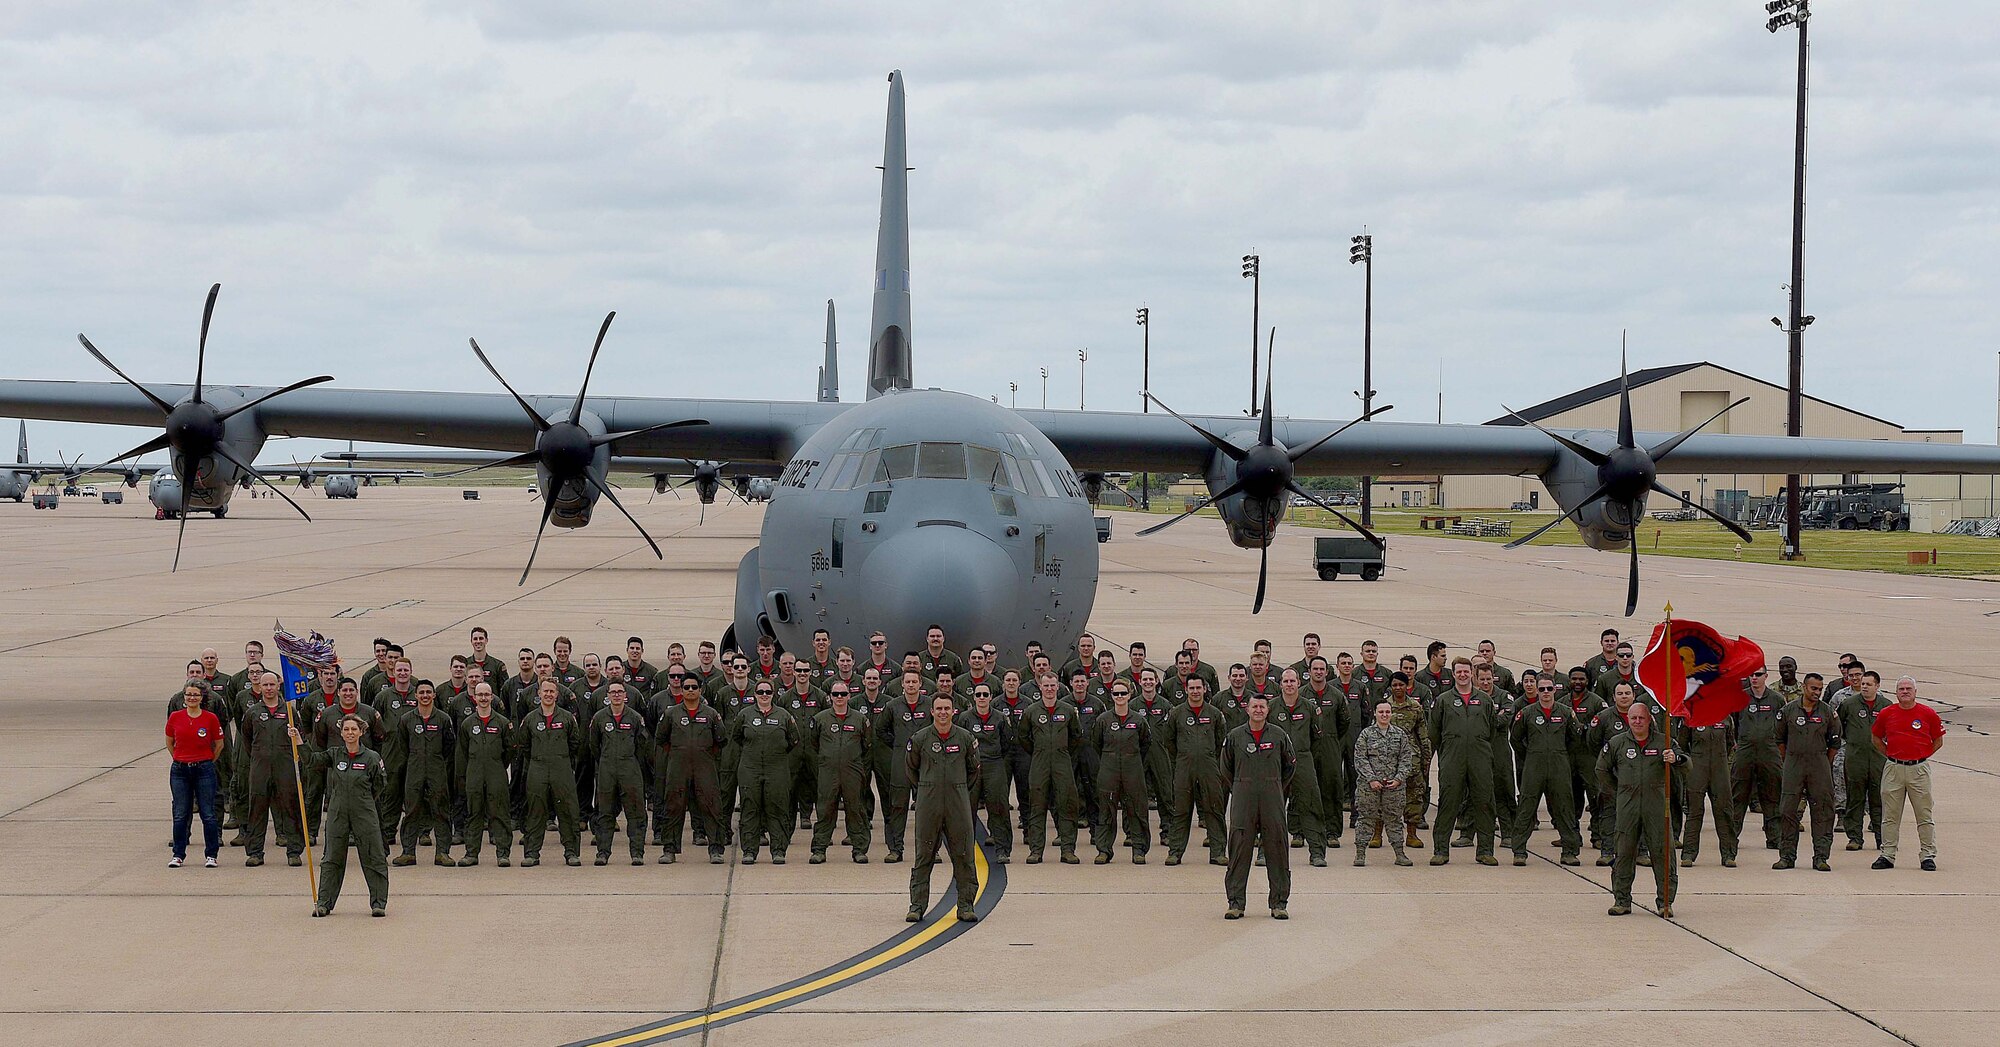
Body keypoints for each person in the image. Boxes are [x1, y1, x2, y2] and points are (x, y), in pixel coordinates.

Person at [291, 714, 391, 918]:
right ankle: (324, 903)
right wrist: (299, 741)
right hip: (337, 812)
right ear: (341, 732)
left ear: (361, 732)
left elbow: (380, 785)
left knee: (374, 856)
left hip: (364, 812)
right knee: (331, 858)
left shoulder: (372, 757)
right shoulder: (334, 754)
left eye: (354, 729)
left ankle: (378, 903)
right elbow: (312, 760)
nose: (350, 733)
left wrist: (362, 800)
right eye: (346, 729)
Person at [1596, 705, 1682, 917]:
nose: (1637, 722)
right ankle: (1622, 900)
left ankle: (1665, 902)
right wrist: (1619, 791)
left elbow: (1686, 765)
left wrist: (1675, 759)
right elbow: (1601, 769)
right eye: (1633, 718)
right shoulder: (1617, 743)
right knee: (1624, 853)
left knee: (1663, 854)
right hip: (1627, 806)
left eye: (1641, 718)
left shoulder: (1665, 742)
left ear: (1649, 719)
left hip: (1657, 806)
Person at [906, 694, 981, 923]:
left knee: (964, 854)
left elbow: (973, 770)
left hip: (958, 801)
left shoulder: (966, 738)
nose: (942, 713)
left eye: (946, 708)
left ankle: (966, 905)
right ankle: (917, 905)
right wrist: (926, 789)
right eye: (938, 708)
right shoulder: (920, 738)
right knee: (924, 854)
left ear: (953, 711)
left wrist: (957, 789)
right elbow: (911, 769)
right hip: (929, 800)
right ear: (931, 712)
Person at [1222, 694, 1295, 921]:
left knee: (1277, 850)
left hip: (1272, 797)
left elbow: (1290, 767)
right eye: (1254, 706)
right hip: (1243, 798)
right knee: (1239, 850)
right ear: (1247, 709)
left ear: (1267, 710)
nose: (1258, 710)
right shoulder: (1234, 736)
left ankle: (1279, 903)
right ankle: (1236, 903)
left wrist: (1274, 787)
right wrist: (1241, 787)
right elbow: (1225, 769)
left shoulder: (1279, 735)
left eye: (1262, 706)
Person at [1429, 659, 1498, 866]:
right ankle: (1441, 850)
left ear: (1472, 674)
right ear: (1454, 674)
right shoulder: (1443, 700)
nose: (1463, 675)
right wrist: (1449, 750)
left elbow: (1492, 729)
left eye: (1466, 672)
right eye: (1459, 672)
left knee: (1484, 803)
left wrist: (1478, 746)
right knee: (1448, 803)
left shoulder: (1484, 700)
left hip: (1480, 757)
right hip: (1452, 758)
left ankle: (1485, 851)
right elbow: (1434, 731)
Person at [1871, 676, 1945, 871]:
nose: (1905, 691)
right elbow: (1876, 738)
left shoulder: (1927, 713)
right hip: (1893, 768)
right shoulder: (1887, 713)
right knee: (1890, 815)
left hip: (1918, 770)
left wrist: (1921, 756)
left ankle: (1927, 855)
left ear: (1915, 692)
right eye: (1901, 689)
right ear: (1896, 693)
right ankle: (1887, 854)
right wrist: (1890, 755)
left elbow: (1938, 740)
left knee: (1924, 814)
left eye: (1908, 688)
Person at [1509, 679, 1582, 866]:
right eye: (1542, 689)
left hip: (1559, 766)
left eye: (1550, 688)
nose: (1546, 692)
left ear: (1555, 690)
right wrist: (1532, 755)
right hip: (1534, 766)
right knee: (1526, 807)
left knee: (1564, 808)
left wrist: (1561, 755)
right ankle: (1519, 851)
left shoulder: (1566, 713)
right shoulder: (1526, 713)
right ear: (1538, 692)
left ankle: (1569, 851)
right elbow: (1516, 739)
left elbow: (1575, 739)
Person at [657, 676, 727, 864]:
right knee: (673, 806)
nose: (689, 690)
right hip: (678, 767)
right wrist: (679, 753)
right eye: (686, 687)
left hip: (704, 766)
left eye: (693, 687)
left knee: (712, 805)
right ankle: (669, 849)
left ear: (700, 690)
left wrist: (702, 753)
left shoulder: (711, 714)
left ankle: (716, 849)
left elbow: (720, 739)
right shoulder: (671, 714)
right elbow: (661, 738)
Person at [239, 671, 305, 867]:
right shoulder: (253, 713)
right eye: (265, 685)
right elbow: (247, 740)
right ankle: (255, 852)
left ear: (278, 686)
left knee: (290, 808)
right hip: (260, 767)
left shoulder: (290, 712)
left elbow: (301, 738)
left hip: (285, 766)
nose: (268, 688)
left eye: (272, 685)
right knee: (257, 809)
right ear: (259, 686)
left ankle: (294, 851)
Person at [1162, 675, 1229, 867]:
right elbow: (1169, 741)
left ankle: (1217, 853)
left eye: (1198, 688)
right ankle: (1175, 852)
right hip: (1184, 767)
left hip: (1209, 767)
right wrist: (1183, 758)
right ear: (1186, 690)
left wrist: (1208, 758)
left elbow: (1219, 741)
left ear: (1205, 689)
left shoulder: (1215, 714)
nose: (1195, 691)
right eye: (1191, 688)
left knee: (1214, 809)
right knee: (1181, 810)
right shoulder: (1176, 713)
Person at [515, 680, 584, 867]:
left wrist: (562, 761)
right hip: (537, 768)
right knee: (535, 811)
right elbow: (524, 745)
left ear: (557, 694)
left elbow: (575, 743)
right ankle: (531, 853)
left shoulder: (568, 718)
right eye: (545, 691)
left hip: (561, 768)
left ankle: (572, 853)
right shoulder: (530, 719)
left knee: (568, 811)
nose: (548, 694)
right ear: (539, 693)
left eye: (552, 691)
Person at [1774, 674, 1839, 872]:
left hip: (1819, 765)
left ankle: (1821, 857)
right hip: (1794, 764)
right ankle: (1786, 856)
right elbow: (1779, 740)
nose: (1817, 693)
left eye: (1820, 689)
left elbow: (1834, 743)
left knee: (1823, 812)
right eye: (1813, 688)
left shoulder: (1828, 712)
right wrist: (1791, 760)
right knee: (1788, 811)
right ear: (1804, 687)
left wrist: (1823, 763)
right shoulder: (1788, 710)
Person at [1019, 672, 1083, 864]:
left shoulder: (1068, 711)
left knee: (1067, 806)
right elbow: (1023, 737)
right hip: (1039, 762)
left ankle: (1068, 850)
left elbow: (1075, 736)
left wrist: (1061, 752)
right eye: (1046, 685)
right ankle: (1036, 850)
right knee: (1037, 807)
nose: (1049, 689)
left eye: (1052, 685)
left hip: (1062, 762)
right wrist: (1039, 752)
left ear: (1058, 687)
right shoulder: (1031, 711)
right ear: (1040, 687)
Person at [732, 682, 798, 864]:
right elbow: (737, 736)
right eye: (761, 691)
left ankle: (778, 850)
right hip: (750, 768)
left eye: (768, 691)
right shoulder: (745, 714)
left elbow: (793, 740)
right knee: (750, 808)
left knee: (777, 808)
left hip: (776, 768)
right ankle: (749, 851)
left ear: (773, 693)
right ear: (755, 693)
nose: (764, 694)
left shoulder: (784, 715)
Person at [392, 681, 456, 868]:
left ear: (434, 695)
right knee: (411, 810)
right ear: (416, 695)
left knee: (441, 810)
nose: (425, 695)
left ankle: (443, 853)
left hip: (437, 769)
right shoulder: (406, 719)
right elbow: (402, 745)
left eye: (429, 692)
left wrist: (437, 762)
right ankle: (408, 852)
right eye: (422, 692)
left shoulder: (443, 719)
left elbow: (449, 746)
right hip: (414, 769)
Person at [809, 681, 875, 864]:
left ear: (849, 696)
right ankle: (819, 849)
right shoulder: (820, 719)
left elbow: (866, 746)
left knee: (856, 809)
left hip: (852, 772)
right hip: (828, 772)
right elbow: (814, 743)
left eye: (843, 694)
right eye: (836, 694)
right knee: (825, 810)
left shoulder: (860, 719)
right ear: (830, 696)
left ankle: (859, 849)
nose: (839, 697)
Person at [588, 682, 652, 866]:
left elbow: (643, 745)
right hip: (607, 769)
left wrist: (630, 762)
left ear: (625, 695)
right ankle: (603, 853)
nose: (616, 695)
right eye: (613, 692)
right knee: (605, 812)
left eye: (620, 692)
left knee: (636, 812)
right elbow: (594, 745)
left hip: (630, 769)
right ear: (607, 695)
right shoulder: (599, 718)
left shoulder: (635, 718)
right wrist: (606, 761)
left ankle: (637, 853)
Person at [1088, 680, 1152, 864]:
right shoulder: (1103, 720)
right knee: (1106, 811)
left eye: (1123, 693)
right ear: (1111, 696)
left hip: (1133, 769)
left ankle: (1139, 850)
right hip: (1109, 769)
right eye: (1116, 694)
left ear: (1130, 694)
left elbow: (1146, 744)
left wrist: (1133, 759)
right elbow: (1096, 744)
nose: (1120, 697)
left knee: (1137, 810)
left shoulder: (1139, 720)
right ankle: (1104, 850)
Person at [875, 669, 933, 864]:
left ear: (920, 684)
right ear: (902, 684)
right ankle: (895, 849)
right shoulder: (892, 706)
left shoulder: (930, 705)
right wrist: (898, 744)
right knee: (897, 806)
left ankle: (930, 849)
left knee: (928, 808)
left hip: (925, 762)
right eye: (907, 682)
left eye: (914, 682)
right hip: (900, 761)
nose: (910, 685)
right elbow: (880, 729)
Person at [166, 682, 225, 868]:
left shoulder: (210, 718)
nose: (192, 698)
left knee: (208, 813)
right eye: (189, 694)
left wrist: (206, 761)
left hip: (204, 770)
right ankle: (178, 854)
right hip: (180, 771)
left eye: (196, 695)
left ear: (202, 698)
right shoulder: (175, 717)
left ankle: (211, 855)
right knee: (180, 814)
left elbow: (219, 744)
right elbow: (170, 742)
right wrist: (180, 758)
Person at [455, 684, 514, 866]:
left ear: (492, 697)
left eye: (486, 695)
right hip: (474, 773)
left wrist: (497, 765)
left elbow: (510, 750)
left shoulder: (503, 723)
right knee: (474, 813)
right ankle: (471, 853)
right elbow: (462, 752)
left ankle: (503, 854)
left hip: (496, 772)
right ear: (474, 698)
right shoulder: (467, 724)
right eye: (480, 694)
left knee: (500, 813)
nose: (483, 698)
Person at [1352, 701, 1415, 867]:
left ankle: (1400, 854)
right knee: (1365, 819)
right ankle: (1360, 853)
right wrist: (1371, 779)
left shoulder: (1400, 735)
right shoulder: (1366, 734)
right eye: (1381, 712)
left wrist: (1399, 778)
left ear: (1391, 714)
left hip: (1393, 787)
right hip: (1369, 787)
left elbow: (1406, 759)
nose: (1384, 715)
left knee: (1394, 820)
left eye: (1387, 712)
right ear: (1375, 713)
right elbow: (1360, 759)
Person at [1731, 668, 1786, 851]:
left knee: (1772, 794)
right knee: (1739, 794)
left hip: (1769, 752)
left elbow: (1782, 725)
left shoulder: (1776, 699)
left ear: (1766, 677)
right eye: (1752, 675)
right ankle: (1732, 838)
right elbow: (1732, 723)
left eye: (1758, 675)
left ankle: (1774, 837)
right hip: (1745, 750)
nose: (1754, 678)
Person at [961, 684, 1016, 864]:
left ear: (991, 696)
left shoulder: (1000, 718)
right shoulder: (965, 718)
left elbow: (1007, 742)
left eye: (985, 694)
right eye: (979, 694)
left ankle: (1002, 850)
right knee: (967, 809)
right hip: (972, 767)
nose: (982, 697)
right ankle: (965, 849)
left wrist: (995, 757)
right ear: (974, 697)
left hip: (994, 764)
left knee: (999, 807)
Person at [1678, 710, 1739, 868]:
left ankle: (1728, 854)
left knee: (1724, 810)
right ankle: (1689, 853)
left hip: (1720, 767)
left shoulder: (1726, 717)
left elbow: (1730, 743)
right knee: (1694, 811)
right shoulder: (1690, 717)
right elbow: (1682, 746)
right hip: (1697, 767)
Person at [1837, 671, 1889, 852]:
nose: (1865, 686)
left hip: (1878, 760)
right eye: (1863, 684)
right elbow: (1839, 727)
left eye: (1869, 684)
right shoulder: (1848, 704)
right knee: (1855, 798)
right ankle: (1854, 837)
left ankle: (1881, 838)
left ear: (1877, 686)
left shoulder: (1886, 707)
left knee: (1879, 799)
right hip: (1855, 758)